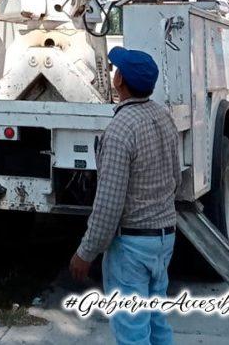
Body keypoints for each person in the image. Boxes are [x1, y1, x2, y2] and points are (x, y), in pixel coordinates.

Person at [69, 46, 181, 345]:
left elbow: (108, 205)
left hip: (131, 247)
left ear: (121, 81)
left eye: (116, 69)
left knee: (132, 334)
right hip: (163, 238)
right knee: (158, 325)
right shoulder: (163, 117)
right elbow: (176, 178)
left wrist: (86, 252)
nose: (113, 73)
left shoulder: (120, 130)